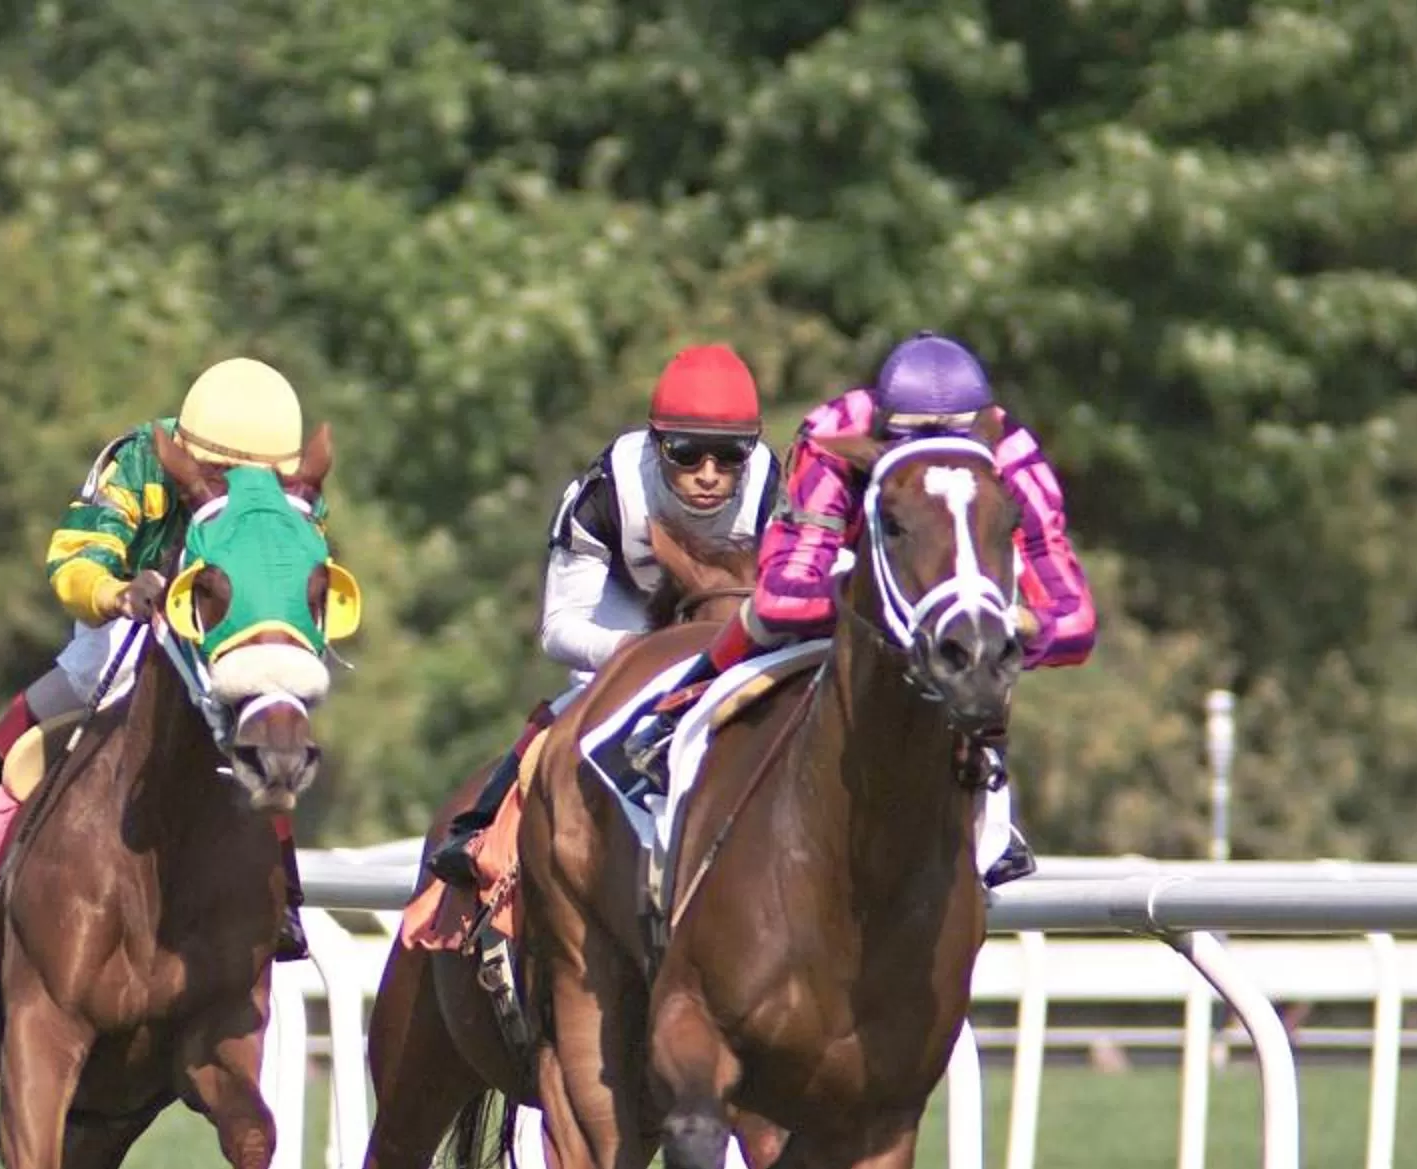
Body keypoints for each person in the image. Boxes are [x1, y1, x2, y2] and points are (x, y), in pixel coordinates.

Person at [622, 332, 1096, 885]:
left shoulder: (1010, 450)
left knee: (984, 639)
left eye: (957, 435)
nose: (943, 444)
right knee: (762, 616)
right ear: (886, 431)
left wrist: (1009, 622)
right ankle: (677, 712)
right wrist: (878, 601)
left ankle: (988, 784)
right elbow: (784, 598)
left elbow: (1076, 622)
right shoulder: (834, 434)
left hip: (941, 598)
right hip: (849, 577)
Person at [0, 356, 322, 956]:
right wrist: (117, 593)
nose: (238, 490)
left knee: (272, 716)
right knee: (88, 673)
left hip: (225, 640)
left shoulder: (290, 494)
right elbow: (75, 556)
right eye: (219, 474)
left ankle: (286, 889)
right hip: (133, 623)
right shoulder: (138, 462)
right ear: (191, 453)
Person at [427, 344, 775, 887]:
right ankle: (479, 825)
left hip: (726, 617)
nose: (709, 474)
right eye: (686, 452)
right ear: (658, 444)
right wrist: (638, 653)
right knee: (578, 707)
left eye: (730, 456)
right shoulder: (606, 494)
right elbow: (558, 631)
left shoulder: (771, 487)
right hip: (625, 611)